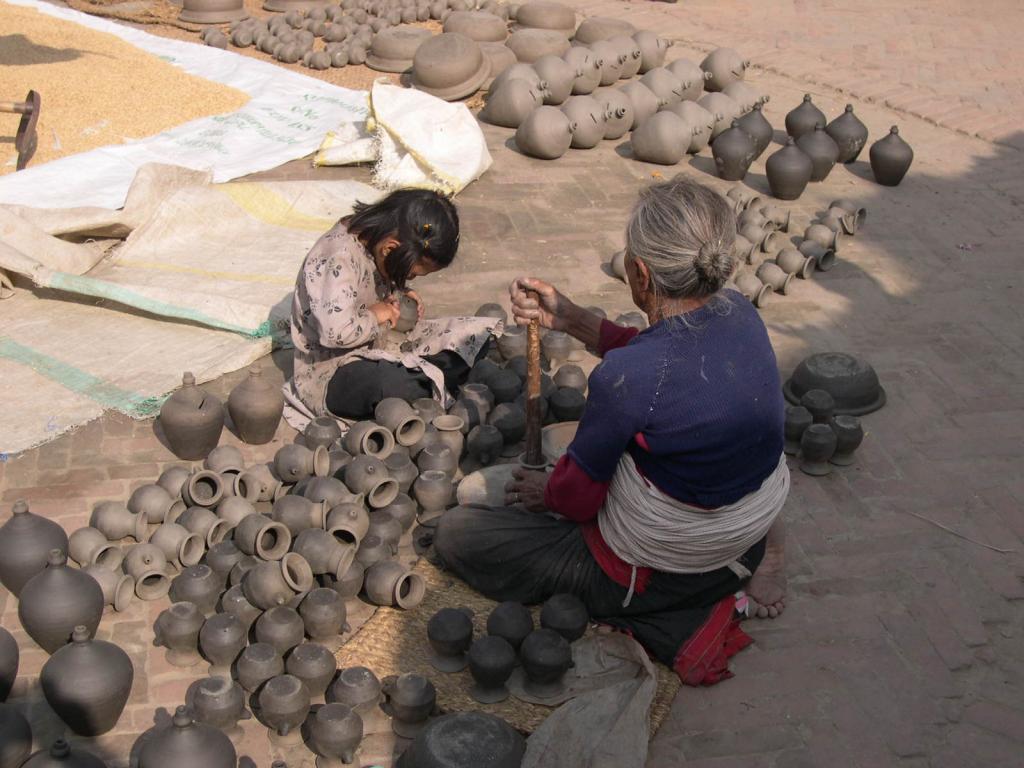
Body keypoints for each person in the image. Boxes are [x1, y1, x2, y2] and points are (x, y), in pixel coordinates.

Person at [434, 176, 789, 685]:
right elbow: (662, 356)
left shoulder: (628, 378)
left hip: (659, 566)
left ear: (639, 274)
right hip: (744, 529)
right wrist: (575, 319)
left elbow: (576, 501)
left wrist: (544, 491)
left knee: (458, 532)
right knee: (746, 440)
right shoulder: (739, 313)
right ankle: (765, 553)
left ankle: (663, 600)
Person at [285, 189, 497, 422]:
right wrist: (375, 315)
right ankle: (426, 379)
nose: (411, 279)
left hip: (383, 345)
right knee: (391, 384)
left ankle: (427, 377)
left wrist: (400, 293)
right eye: (412, 274)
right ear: (390, 249)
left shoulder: (377, 241)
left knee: (476, 335)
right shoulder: (336, 258)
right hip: (332, 370)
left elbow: (375, 281)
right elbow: (336, 334)